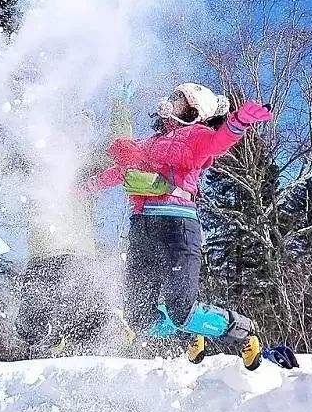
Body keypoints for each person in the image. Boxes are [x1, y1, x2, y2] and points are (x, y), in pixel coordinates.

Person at [85, 82, 297, 370]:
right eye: (173, 97)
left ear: (194, 112)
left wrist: (239, 122)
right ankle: (191, 331)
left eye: (180, 101)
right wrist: (81, 189)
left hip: (177, 226)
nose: (171, 103)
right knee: (137, 315)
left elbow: (218, 142)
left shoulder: (196, 135)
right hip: (142, 229)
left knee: (181, 308)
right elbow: (118, 173)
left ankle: (243, 330)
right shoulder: (148, 144)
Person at [15, 91, 136, 357]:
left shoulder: (83, 169)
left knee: (82, 324)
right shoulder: (35, 163)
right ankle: (68, 335)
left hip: (75, 256)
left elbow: (119, 152)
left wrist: (121, 109)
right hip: (41, 258)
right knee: (29, 327)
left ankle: (106, 326)